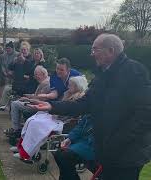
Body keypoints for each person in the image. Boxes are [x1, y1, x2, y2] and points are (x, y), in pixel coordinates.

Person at [28, 33, 151, 180]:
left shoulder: (135, 72)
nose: (92, 54)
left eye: (95, 50)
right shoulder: (102, 75)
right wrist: (52, 106)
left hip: (128, 154)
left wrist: (116, 142)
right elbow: (84, 103)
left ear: (110, 51)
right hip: (106, 149)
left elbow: (144, 115)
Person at [11, 76, 88, 160]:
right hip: (57, 118)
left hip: (64, 122)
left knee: (36, 124)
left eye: (71, 85)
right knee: (31, 120)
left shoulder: (79, 98)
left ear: (77, 86)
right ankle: (22, 147)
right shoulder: (68, 94)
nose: (68, 87)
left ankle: (26, 153)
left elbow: (69, 113)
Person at [3, 66, 51, 137]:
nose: (35, 77)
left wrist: (28, 99)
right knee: (17, 100)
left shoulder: (46, 84)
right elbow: (37, 96)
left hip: (39, 107)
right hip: (37, 104)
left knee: (15, 104)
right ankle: (18, 127)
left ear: (43, 74)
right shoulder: (44, 82)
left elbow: (41, 100)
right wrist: (28, 96)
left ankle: (16, 129)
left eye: (37, 75)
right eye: (35, 75)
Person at [53, 115, 95, 180]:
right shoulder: (90, 112)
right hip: (82, 142)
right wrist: (69, 138)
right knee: (58, 154)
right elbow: (80, 126)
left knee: (64, 157)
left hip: (93, 146)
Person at [0, 41, 18, 106]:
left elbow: (18, 65)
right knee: (5, 89)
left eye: (9, 48)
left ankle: (9, 104)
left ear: (13, 48)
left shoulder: (17, 54)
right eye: (6, 48)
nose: (8, 50)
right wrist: (5, 72)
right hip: (6, 75)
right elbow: (2, 65)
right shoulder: (4, 55)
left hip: (14, 75)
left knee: (12, 90)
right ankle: (2, 103)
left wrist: (12, 72)